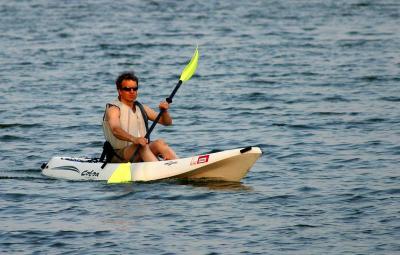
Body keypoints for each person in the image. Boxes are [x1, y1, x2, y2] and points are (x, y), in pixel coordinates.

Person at [102, 72, 177, 163]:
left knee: (159, 143)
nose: (132, 92)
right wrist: (135, 139)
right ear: (119, 91)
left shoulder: (141, 108)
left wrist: (164, 111)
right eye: (127, 89)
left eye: (135, 88)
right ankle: (159, 168)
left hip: (140, 150)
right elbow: (116, 130)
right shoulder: (113, 109)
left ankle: (179, 165)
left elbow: (167, 122)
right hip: (118, 155)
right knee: (141, 145)